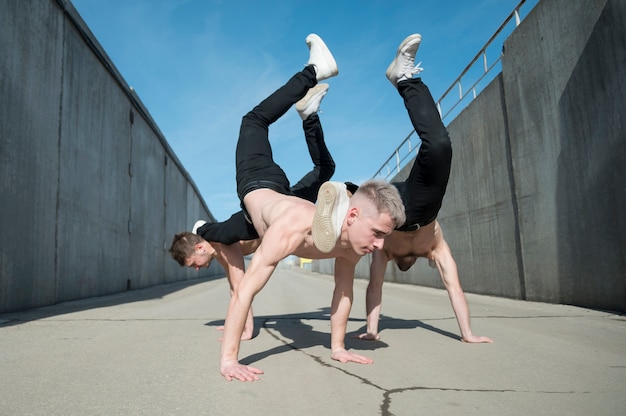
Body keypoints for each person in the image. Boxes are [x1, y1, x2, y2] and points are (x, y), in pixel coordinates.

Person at [170, 33, 406, 382]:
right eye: (377, 234)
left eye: (382, 236)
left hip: (273, 201)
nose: (380, 246)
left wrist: (337, 346)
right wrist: (229, 359)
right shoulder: (297, 229)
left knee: (273, 141)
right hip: (263, 188)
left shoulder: (354, 243)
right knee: (254, 125)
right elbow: (244, 292)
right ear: (353, 217)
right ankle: (314, 74)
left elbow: (343, 293)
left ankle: (311, 106)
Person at [353, 34, 492, 344]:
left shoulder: (386, 249)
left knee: (349, 193)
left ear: (408, 261)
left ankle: (403, 80)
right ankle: (404, 79)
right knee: (439, 145)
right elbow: (454, 288)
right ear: (418, 259)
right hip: (419, 206)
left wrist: (373, 329)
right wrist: (466, 333)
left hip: (397, 204)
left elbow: (375, 287)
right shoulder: (435, 247)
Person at [170, 82, 335, 340]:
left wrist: (243, 330)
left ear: (199, 248)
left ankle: (309, 76)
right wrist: (235, 321)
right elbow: (235, 289)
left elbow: (240, 287)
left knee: (253, 122)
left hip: (267, 198)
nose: (196, 269)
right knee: (325, 169)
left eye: (193, 264)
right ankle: (309, 117)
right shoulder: (220, 246)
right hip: (281, 202)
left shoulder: (221, 243)